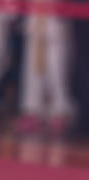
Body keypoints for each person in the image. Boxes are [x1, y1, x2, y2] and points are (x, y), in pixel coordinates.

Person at [17, 0, 75, 135]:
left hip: (57, 21)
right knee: (32, 70)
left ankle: (60, 110)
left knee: (58, 70)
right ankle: (32, 110)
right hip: (35, 20)